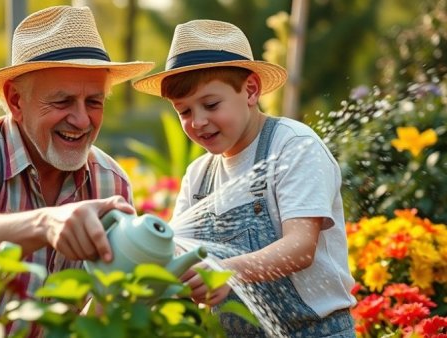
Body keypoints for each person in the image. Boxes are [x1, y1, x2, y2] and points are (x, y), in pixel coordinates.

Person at [0, 5, 153, 336]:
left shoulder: (112, 182)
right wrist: (48, 223)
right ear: (16, 101)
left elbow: (106, 302)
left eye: (94, 102)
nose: (81, 120)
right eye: (62, 102)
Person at [132, 19, 356, 337]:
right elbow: (177, 254)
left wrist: (222, 271)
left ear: (251, 90)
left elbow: (300, 246)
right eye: (184, 111)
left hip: (315, 330)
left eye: (210, 104)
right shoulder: (199, 177)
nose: (198, 121)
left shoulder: (291, 146)